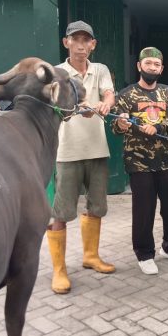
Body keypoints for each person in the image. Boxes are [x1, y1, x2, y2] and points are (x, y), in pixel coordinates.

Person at [46, 20, 116, 295]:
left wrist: (106, 103)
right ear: (66, 43)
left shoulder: (100, 70)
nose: (81, 45)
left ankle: (90, 256)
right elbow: (56, 105)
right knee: (60, 213)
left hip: (97, 148)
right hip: (67, 152)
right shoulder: (56, 73)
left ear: (93, 45)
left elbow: (109, 93)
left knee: (96, 207)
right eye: (75, 39)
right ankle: (59, 270)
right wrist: (79, 107)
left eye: (86, 40)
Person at [112, 47, 168, 275]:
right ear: (139, 66)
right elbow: (116, 126)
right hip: (139, 162)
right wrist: (121, 124)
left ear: (161, 68)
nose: (152, 67)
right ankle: (144, 254)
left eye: (156, 64)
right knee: (144, 210)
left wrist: (157, 126)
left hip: (167, 160)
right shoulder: (125, 95)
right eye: (148, 63)